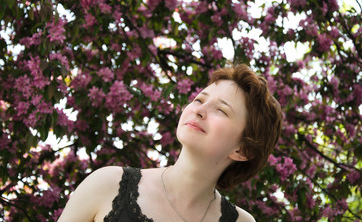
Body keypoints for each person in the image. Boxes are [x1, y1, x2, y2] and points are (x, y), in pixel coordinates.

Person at [58, 64, 283, 222]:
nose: (200, 110)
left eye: (222, 110)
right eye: (199, 99)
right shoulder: (108, 185)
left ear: (242, 150)